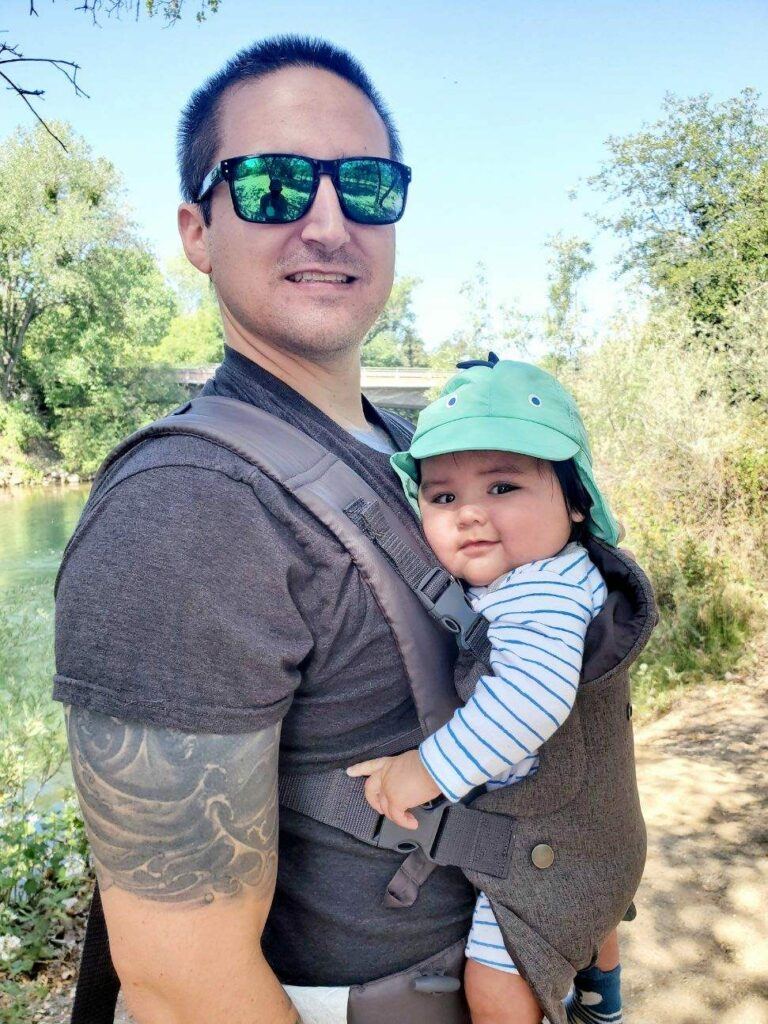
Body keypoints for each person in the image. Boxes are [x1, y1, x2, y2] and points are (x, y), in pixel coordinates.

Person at [53, 35, 476, 1024]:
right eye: (276, 185)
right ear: (198, 230)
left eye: (366, 185)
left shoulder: (424, 455)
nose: (328, 222)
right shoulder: (188, 510)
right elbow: (180, 982)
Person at [348, 356, 627, 1024]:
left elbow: (530, 701)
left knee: (496, 982)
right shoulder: (562, 568)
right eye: (443, 498)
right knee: (597, 908)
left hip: (553, 839)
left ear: (576, 499)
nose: (469, 513)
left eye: (502, 487)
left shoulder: (543, 592)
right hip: (603, 835)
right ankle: (604, 1000)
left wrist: (424, 770)